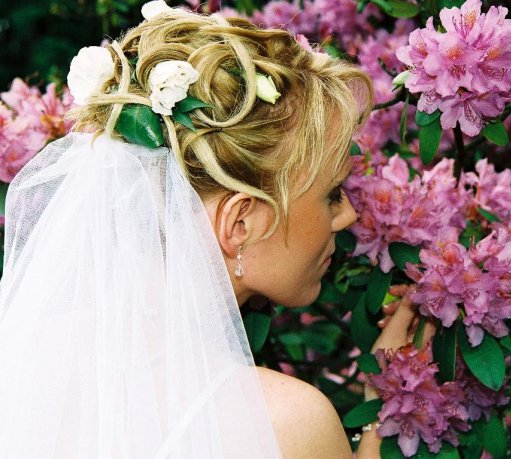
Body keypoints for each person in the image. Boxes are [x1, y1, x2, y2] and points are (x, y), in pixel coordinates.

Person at [0, 4, 418, 458]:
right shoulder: (285, 423)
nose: (348, 216)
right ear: (240, 224)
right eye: (332, 194)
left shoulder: (23, 358)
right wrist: (384, 408)